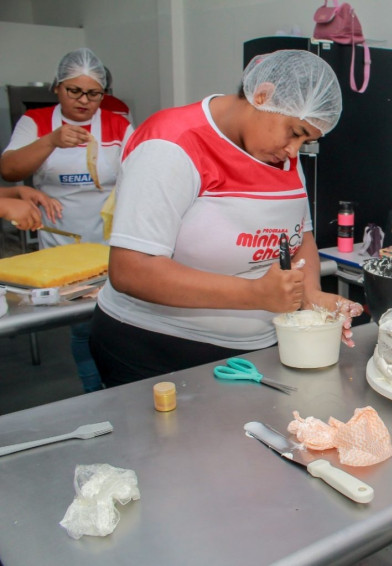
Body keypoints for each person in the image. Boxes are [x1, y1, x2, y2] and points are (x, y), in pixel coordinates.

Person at [90, 49, 363, 387]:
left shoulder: (281, 155)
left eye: (307, 141)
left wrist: (311, 297)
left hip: (251, 352)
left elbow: (299, 237)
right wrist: (254, 294)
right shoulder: (171, 144)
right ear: (262, 95)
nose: (295, 150)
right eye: (295, 132)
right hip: (158, 350)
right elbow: (132, 270)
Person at [0, 47, 133, 394]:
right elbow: (10, 169)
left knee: (117, 318)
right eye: (74, 90)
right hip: (62, 241)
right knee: (81, 324)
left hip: (110, 237)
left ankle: (119, 386)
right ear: (57, 87)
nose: (84, 101)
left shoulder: (117, 125)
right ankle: (93, 391)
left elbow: (141, 169)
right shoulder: (38, 122)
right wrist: (51, 141)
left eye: (94, 93)